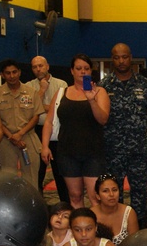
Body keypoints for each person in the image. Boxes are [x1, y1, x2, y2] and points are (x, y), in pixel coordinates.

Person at [42, 54, 110, 209]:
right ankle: (79, 230)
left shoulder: (100, 92)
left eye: (86, 68)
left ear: (91, 71)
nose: (82, 72)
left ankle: (96, 229)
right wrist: (44, 146)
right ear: (72, 71)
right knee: (75, 196)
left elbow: (103, 119)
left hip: (93, 152)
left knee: (95, 197)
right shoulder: (61, 93)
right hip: (67, 152)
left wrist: (91, 99)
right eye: (78, 68)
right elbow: (49, 121)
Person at [100, 44, 147, 224]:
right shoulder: (103, 86)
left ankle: (138, 229)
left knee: (140, 192)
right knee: (112, 192)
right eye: (117, 57)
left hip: (140, 150)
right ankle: (114, 228)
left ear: (131, 57)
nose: (121, 61)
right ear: (112, 59)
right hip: (112, 149)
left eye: (124, 57)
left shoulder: (145, 85)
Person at [0, 59, 42, 188]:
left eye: (14, 72)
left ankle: (31, 206)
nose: (11, 76)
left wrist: (20, 134)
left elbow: (36, 116)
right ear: (2, 75)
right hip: (6, 140)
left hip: (28, 138)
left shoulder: (31, 92)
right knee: (7, 179)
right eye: (8, 73)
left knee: (31, 179)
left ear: (19, 72)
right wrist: (11, 137)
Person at [26, 55, 68, 196]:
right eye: (35, 67)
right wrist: (42, 91)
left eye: (41, 66)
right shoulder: (28, 86)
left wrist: (41, 107)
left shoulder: (61, 84)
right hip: (36, 130)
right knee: (38, 170)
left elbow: (60, 108)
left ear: (47, 66)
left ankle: (65, 202)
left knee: (59, 171)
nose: (38, 69)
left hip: (56, 131)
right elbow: (28, 109)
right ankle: (37, 202)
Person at [91, 173, 138, 245]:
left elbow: (135, 244)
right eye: (105, 191)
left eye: (114, 190)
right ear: (98, 196)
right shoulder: (91, 215)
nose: (111, 194)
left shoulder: (129, 213)